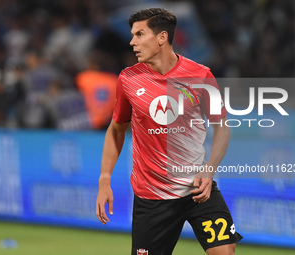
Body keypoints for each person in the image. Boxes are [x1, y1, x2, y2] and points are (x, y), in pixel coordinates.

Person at [96, 8, 242, 255]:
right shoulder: (128, 79)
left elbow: (222, 128)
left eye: (140, 34)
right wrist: (104, 179)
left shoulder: (201, 75)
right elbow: (116, 130)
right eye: (133, 35)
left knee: (224, 252)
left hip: (198, 189)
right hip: (152, 198)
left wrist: (209, 171)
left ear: (162, 37)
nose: (132, 41)